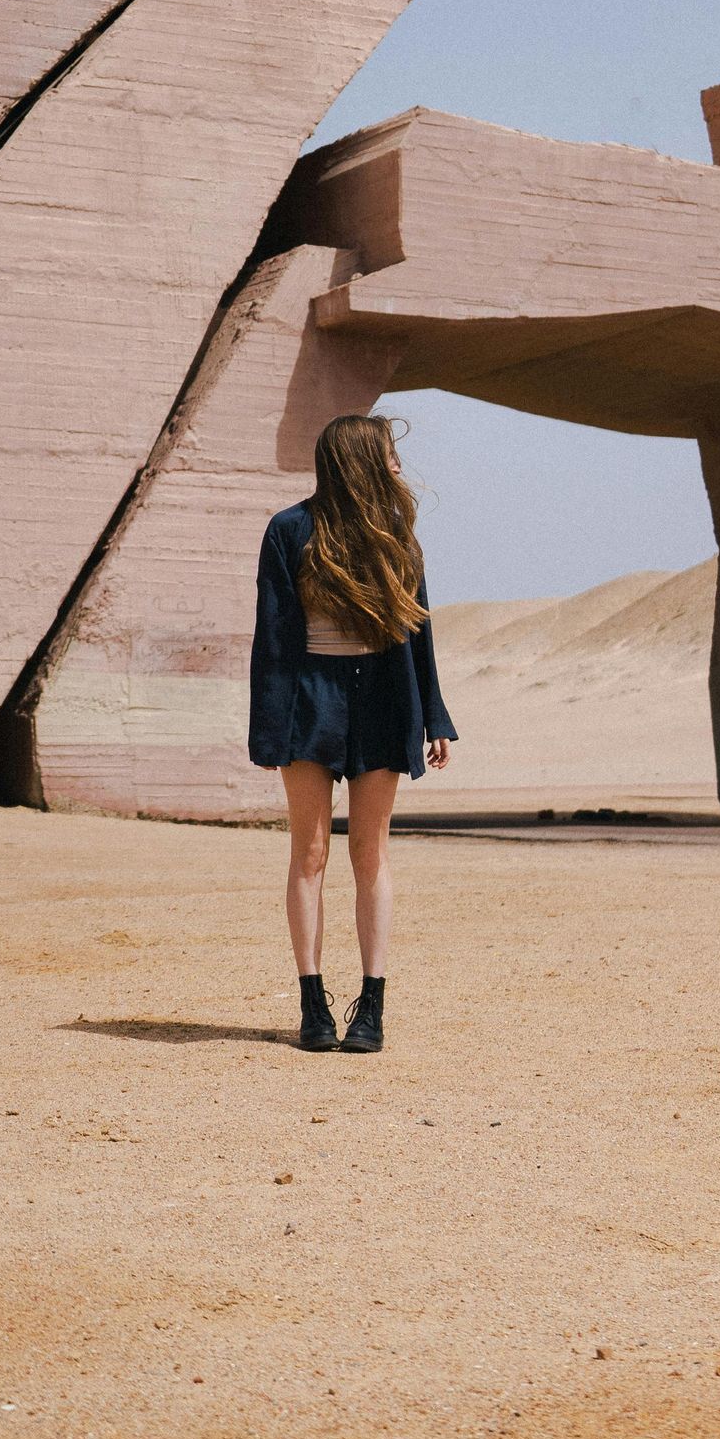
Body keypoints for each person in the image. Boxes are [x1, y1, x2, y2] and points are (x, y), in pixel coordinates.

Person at [249, 414, 456, 1053]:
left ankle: (372, 1007)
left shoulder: (396, 536)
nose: (398, 465)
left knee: (370, 854)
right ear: (360, 461)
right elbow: (274, 637)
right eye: (389, 455)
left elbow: (417, 631)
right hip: (310, 704)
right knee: (308, 854)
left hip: (383, 702)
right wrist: (269, 727)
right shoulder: (288, 530)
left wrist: (435, 716)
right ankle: (314, 1006)